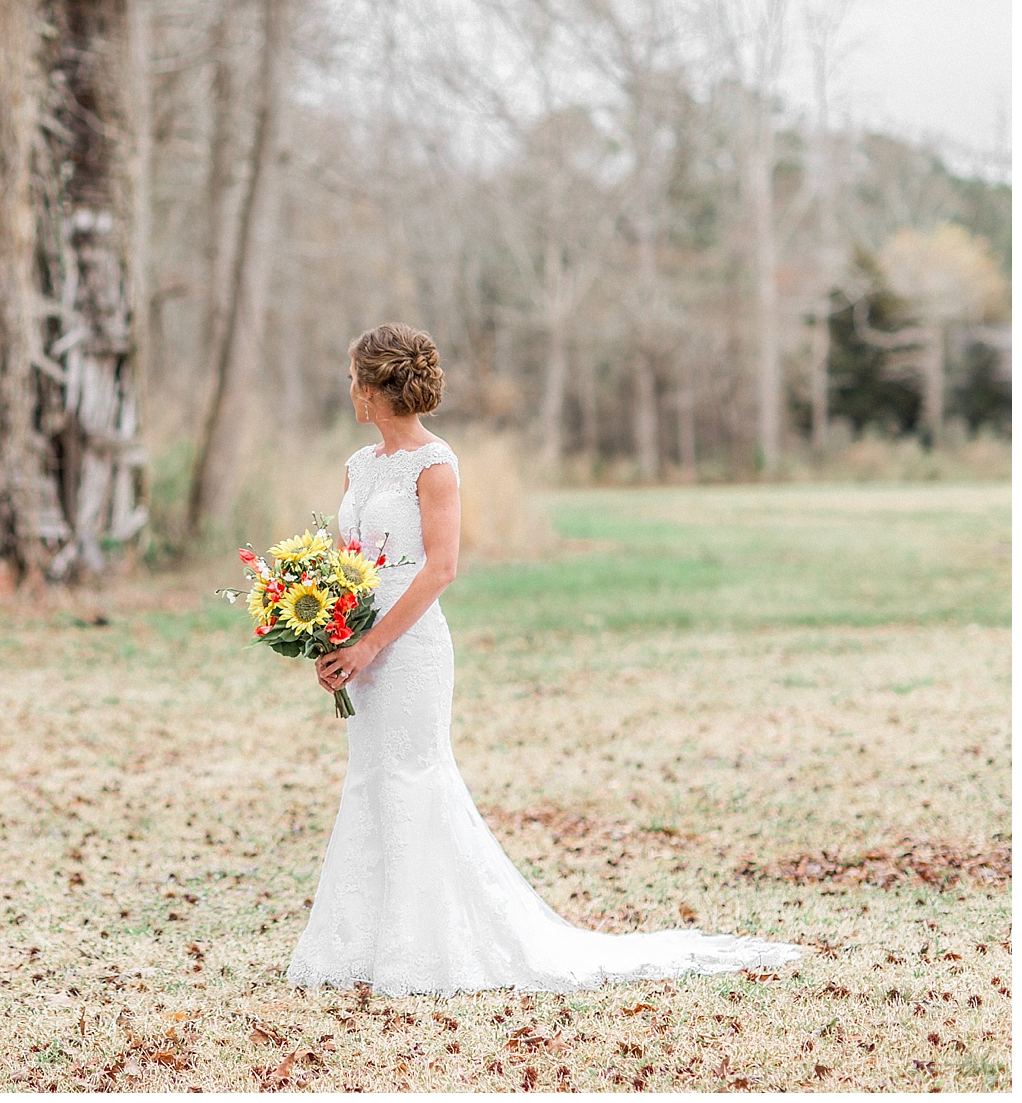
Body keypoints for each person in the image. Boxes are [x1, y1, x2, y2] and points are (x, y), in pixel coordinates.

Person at [286, 321, 803, 996]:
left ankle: (423, 952)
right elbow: (347, 562)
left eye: (354, 375)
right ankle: (355, 948)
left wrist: (372, 644)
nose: (348, 386)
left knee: (414, 780)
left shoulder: (434, 463)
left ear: (380, 385)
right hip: (357, 647)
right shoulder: (359, 466)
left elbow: (440, 567)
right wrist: (330, 639)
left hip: (408, 650)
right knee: (370, 781)